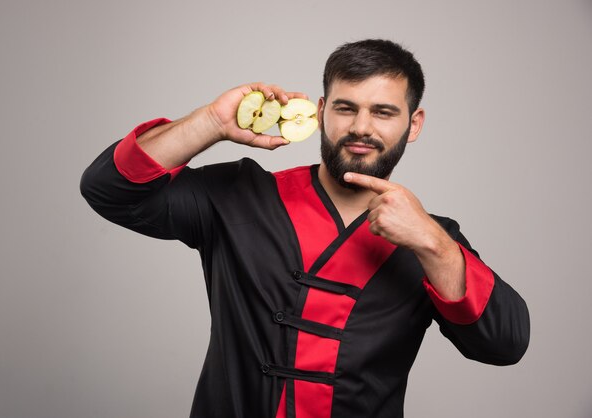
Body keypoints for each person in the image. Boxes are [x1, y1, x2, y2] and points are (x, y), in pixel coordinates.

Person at [80, 39, 530, 418]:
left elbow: (505, 344)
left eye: (384, 112)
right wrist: (211, 122)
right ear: (319, 111)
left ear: (413, 125)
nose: (360, 127)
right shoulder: (241, 192)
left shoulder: (433, 240)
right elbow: (109, 188)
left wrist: (433, 242)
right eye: (345, 108)